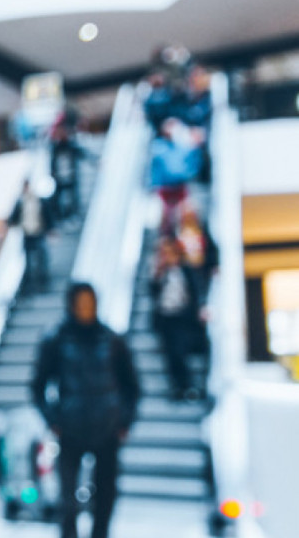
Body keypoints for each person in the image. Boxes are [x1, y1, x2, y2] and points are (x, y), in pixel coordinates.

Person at [31, 283, 140, 538]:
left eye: (89, 303)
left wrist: (125, 421)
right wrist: (53, 419)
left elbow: (131, 386)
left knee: (105, 497)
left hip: (107, 428)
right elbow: (38, 386)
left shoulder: (112, 340)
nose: (85, 309)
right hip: (70, 429)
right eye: (80, 303)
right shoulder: (56, 339)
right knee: (68, 501)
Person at [151, 237, 204, 401]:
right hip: (165, 319)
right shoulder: (163, 272)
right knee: (170, 355)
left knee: (180, 352)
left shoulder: (186, 270)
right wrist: (157, 274)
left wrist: (198, 310)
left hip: (181, 318)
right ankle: (177, 388)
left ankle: (187, 386)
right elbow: (154, 293)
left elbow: (195, 292)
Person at [149, 118, 203, 234]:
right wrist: (154, 184)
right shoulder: (158, 147)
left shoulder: (182, 147)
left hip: (179, 184)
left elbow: (192, 162)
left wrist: (189, 174)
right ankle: (167, 233)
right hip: (165, 186)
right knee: (167, 212)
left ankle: (182, 232)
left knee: (183, 210)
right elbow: (155, 168)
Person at [9, 179, 55, 293]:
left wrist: (51, 229)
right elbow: (13, 218)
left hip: (39, 233)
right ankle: (30, 285)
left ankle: (43, 283)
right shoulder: (20, 203)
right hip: (27, 235)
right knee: (29, 262)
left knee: (42, 259)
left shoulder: (38, 200)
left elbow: (47, 214)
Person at [50, 119, 88, 222]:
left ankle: (74, 214)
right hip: (60, 177)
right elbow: (52, 162)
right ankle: (62, 216)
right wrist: (53, 174)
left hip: (70, 176)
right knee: (58, 198)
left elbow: (81, 153)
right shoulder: (56, 148)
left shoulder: (69, 146)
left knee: (73, 196)